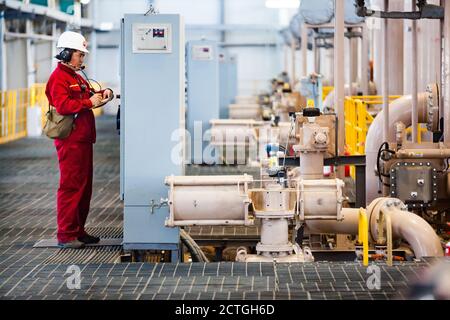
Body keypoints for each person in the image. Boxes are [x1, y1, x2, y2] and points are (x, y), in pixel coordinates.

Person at [45, 31, 114, 249]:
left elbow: (87, 96)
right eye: (79, 54)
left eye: (83, 55)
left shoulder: (76, 76)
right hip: (71, 139)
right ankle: (66, 235)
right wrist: (88, 103)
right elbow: (64, 105)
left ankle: (78, 230)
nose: (82, 59)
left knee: (84, 187)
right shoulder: (59, 78)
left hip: (83, 138)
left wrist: (104, 93)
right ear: (66, 54)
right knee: (71, 186)